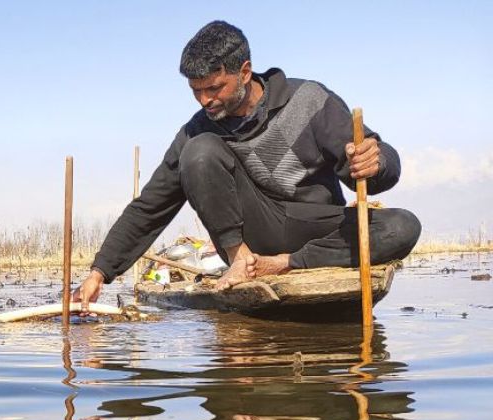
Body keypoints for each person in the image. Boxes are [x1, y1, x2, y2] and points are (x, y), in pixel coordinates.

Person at [74, 21, 420, 309]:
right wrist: (99, 272)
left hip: (314, 228)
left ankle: (285, 264)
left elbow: (375, 171)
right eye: (196, 91)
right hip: (255, 238)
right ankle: (242, 261)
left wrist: (376, 162)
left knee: (403, 226)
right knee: (199, 151)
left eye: (214, 88)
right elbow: (151, 206)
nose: (205, 100)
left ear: (244, 72)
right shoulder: (198, 129)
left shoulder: (310, 100)